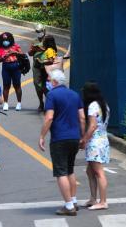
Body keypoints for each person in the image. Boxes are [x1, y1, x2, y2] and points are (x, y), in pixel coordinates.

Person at [39, 69, 85, 216]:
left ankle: (69, 206)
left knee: (61, 172)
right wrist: (82, 136)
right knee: (70, 170)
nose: (48, 82)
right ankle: (74, 200)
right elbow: (82, 117)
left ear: (54, 81)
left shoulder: (52, 95)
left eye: (49, 79)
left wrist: (42, 136)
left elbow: (49, 117)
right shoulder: (74, 94)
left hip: (59, 138)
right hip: (74, 137)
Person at [81, 82, 110, 210]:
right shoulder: (104, 105)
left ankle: (103, 201)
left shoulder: (93, 106)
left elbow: (92, 126)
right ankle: (93, 198)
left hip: (95, 142)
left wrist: (84, 140)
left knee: (98, 172)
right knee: (90, 171)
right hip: (103, 140)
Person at [0, 32, 23, 111]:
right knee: (6, 85)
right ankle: (6, 103)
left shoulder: (16, 46)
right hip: (6, 67)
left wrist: (15, 53)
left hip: (16, 67)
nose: (5, 41)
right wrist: (3, 57)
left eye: (7, 40)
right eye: (4, 40)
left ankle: (19, 103)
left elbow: (22, 55)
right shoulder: (0, 49)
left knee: (17, 85)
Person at [28, 23, 46, 111]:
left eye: (40, 31)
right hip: (37, 66)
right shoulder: (34, 41)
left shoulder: (48, 40)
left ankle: (50, 103)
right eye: (37, 31)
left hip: (47, 65)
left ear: (44, 31)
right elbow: (30, 53)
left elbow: (53, 51)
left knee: (47, 86)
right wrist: (33, 50)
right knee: (37, 84)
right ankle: (41, 102)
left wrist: (43, 49)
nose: (39, 33)